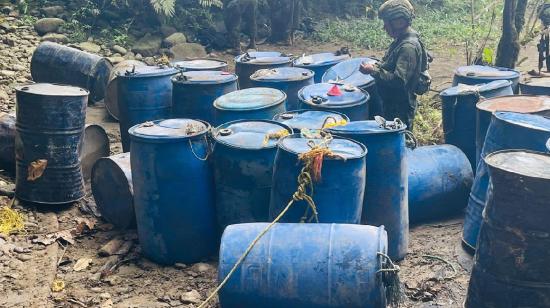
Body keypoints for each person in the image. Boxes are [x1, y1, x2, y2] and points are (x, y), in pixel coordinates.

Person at [359, 0, 427, 131]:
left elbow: (399, 81)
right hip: (393, 104)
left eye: (386, 23)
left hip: (400, 108)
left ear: (398, 22)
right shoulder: (401, 40)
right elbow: (391, 64)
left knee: (401, 141)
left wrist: (373, 71)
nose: (384, 28)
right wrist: (378, 65)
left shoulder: (408, 47)